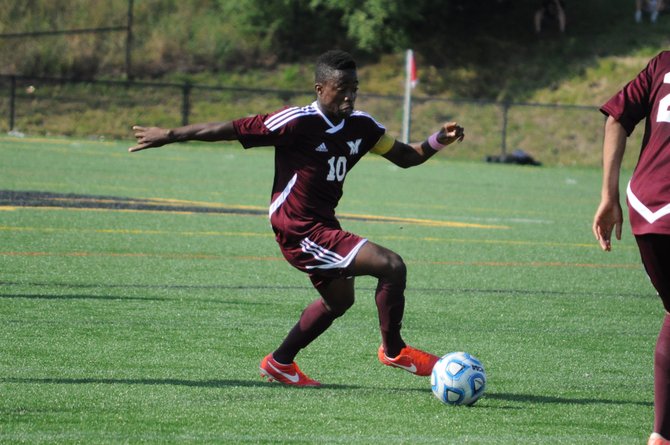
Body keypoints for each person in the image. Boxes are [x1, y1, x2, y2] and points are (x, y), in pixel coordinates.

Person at [129, 50, 465, 387]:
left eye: (354, 88)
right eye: (341, 88)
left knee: (339, 301)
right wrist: (170, 135)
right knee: (391, 265)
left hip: (323, 226)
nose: (349, 95)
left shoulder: (363, 127)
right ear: (320, 89)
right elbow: (228, 129)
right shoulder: (297, 121)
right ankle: (394, 351)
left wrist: (438, 140)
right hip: (298, 228)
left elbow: (406, 157)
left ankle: (279, 363)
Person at [593, 51, 670, 445]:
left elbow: (616, 118)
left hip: (647, 208)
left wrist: (608, 195)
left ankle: (661, 434)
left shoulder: (662, 64)